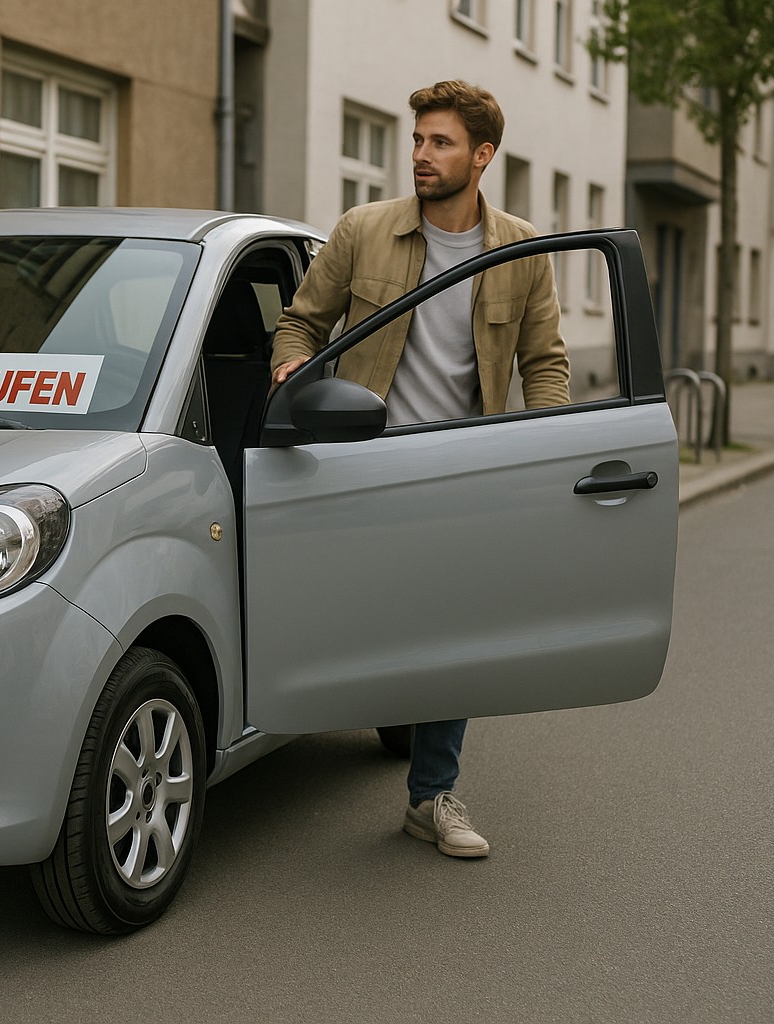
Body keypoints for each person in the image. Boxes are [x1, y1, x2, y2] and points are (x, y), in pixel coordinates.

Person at [270, 80, 570, 858]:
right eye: (416, 140)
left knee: (454, 634)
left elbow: (546, 364)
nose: (420, 155)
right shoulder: (362, 230)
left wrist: (543, 458)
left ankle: (430, 795)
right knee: (351, 622)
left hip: (461, 472)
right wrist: (294, 366)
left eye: (439, 142)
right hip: (360, 463)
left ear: (482, 155)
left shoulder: (522, 251)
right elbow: (302, 319)